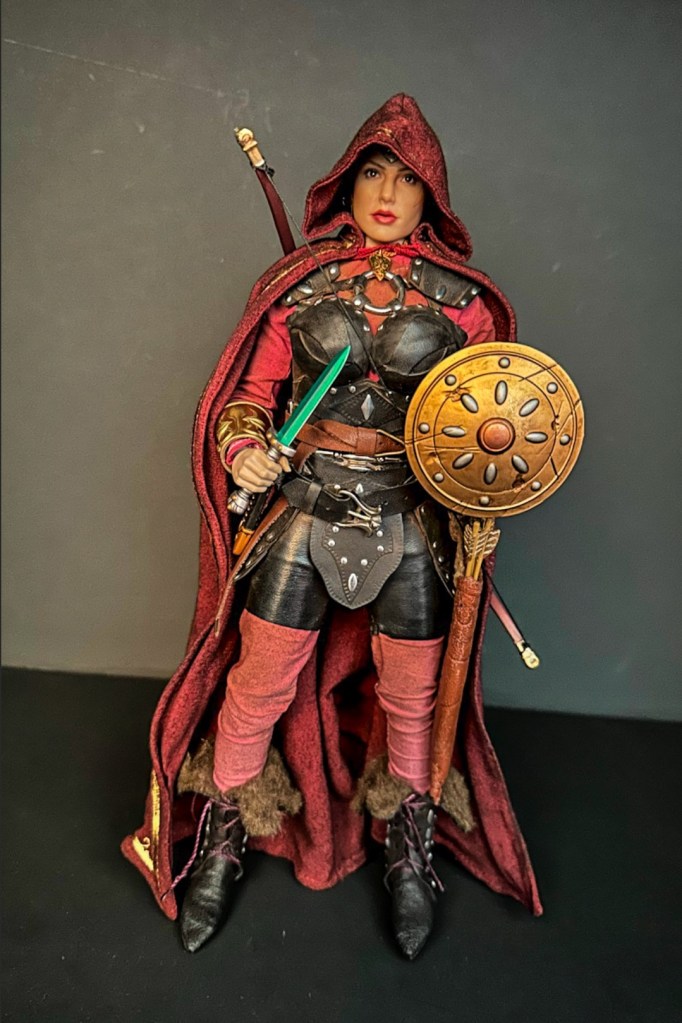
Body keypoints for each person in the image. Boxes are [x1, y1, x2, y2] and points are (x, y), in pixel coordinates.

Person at [122, 94, 542, 961]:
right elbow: (248, 397)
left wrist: (485, 486)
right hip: (306, 503)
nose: (387, 194)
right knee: (257, 681)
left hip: (410, 516)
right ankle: (225, 830)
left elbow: (491, 420)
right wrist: (244, 451)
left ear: (432, 195)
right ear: (345, 185)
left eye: (406, 179)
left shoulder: (466, 306)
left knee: (415, 696)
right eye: (372, 173)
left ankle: (410, 844)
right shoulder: (300, 287)